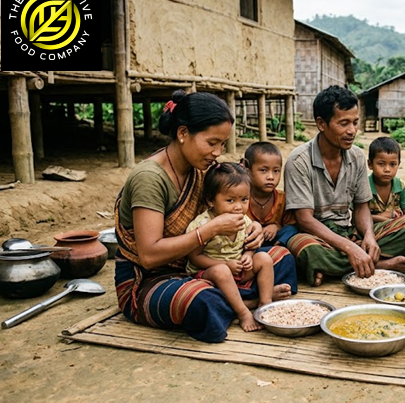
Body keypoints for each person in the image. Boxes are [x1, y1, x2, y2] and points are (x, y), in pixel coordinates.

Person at [113, 90, 292, 343]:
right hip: (151, 278)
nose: (218, 152)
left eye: (222, 144)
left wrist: (252, 232)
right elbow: (149, 256)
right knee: (201, 302)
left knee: (281, 257)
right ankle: (250, 301)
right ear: (183, 133)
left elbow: (228, 202)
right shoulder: (150, 178)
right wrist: (211, 230)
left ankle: (239, 298)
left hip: (206, 264)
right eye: (212, 143)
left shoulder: (201, 169)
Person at [284, 85, 405, 286]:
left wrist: (369, 236)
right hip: (317, 237)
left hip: (348, 231)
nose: (352, 131)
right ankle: (379, 264)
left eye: (355, 122)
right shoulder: (298, 161)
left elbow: (361, 207)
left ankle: (335, 268)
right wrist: (350, 249)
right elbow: (305, 220)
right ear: (321, 124)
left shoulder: (356, 156)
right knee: (305, 249)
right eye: (343, 123)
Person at [184, 163, 276, 332]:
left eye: (244, 199)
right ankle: (243, 313)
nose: (238, 207)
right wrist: (225, 264)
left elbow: (249, 244)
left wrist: (248, 255)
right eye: (230, 200)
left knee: (264, 258)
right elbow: (194, 258)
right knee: (222, 271)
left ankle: (265, 304)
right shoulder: (203, 224)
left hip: (237, 270)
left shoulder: (243, 219)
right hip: (209, 274)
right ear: (211, 200)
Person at [241, 141, 299, 294]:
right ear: (247, 169)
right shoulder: (240, 198)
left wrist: (276, 226)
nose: (271, 177)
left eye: (276, 171)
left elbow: (291, 225)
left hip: (274, 243)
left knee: (291, 230)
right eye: (263, 170)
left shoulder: (282, 198)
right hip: (248, 249)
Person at [366, 137, 405, 257]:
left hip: (396, 231)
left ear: (398, 164)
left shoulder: (400, 186)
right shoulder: (364, 186)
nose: (387, 169)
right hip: (372, 233)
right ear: (370, 164)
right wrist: (383, 218)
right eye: (381, 164)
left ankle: (393, 251)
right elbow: (357, 219)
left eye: (393, 164)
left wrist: (392, 222)